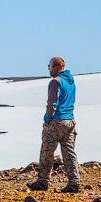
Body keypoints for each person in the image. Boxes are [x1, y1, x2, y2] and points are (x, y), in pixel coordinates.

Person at [28, 57, 80, 193]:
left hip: (56, 121)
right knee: (69, 153)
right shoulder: (71, 82)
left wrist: (47, 119)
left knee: (47, 151)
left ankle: (42, 181)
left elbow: (51, 104)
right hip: (70, 121)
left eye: (50, 66)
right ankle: (74, 182)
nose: (49, 69)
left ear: (58, 66)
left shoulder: (55, 82)